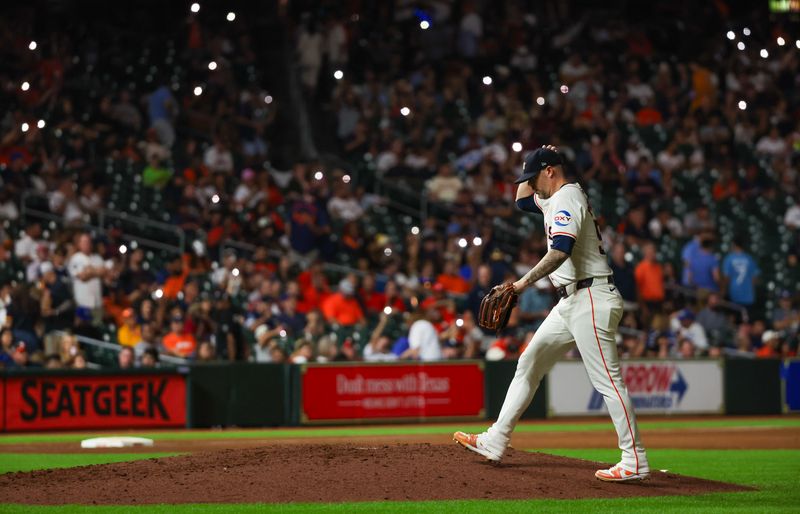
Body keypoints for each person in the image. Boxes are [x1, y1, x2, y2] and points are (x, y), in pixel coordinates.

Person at [454, 146, 649, 482]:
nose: (530, 184)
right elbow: (519, 200)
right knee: (529, 361)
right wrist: (530, 157)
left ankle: (635, 460)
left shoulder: (567, 197)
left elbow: (560, 251)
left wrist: (520, 284)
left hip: (591, 296)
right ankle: (496, 440)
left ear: (551, 172)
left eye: (534, 177)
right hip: (572, 300)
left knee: (608, 381)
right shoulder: (552, 198)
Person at [721, 238, 760, 312]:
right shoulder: (749, 258)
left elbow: (726, 278)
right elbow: (754, 278)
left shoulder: (729, 259)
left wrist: (723, 292)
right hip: (748, 296)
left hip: (734, 295)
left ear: (733, 245)